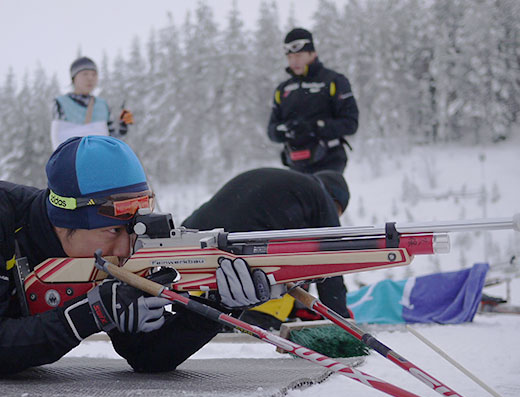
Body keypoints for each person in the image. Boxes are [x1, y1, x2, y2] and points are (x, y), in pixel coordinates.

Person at [0, 136, 271, 375]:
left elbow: (148, 357)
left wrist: (215, 307)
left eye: (131, 231)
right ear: (64, 222)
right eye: (112, 230)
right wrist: (90, 314)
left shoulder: (109, 255)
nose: (124, 249)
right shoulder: (5, 217)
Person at [182, 167, 351, 330]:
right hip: (243, 248)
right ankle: (256, 317)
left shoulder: (287, 186)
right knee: (276, 275)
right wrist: (341, 320)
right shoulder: (321, 196)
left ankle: (207, 311)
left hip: (196, 238)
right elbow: (331, 262)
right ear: (335, 201)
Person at [267, 28, 359, 174]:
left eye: (298, 55)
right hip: (295, 166)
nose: (293, 61)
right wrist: (288, 130)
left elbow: (350, 123)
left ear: (313, 53)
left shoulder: (333, 81)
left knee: (322, 196)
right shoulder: (283, 90)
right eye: (289, 57)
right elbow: (271, 130)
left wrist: (314, 128)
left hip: (329, 164)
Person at [50, 57, 134, 150]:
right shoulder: (61, 103)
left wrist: (122, 127)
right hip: (72, 159)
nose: (90, 78)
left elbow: (110, 139)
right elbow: (58, 140)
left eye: (94, 74)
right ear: (74, 78)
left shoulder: (102, 105)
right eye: (85, 74)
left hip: (98, 159)